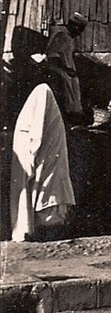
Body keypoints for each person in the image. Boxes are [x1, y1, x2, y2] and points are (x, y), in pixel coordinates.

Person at [9, 84, 76, 242]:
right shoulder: (43, 99)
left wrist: (32, 156)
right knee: (47, 192)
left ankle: (41, 228)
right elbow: (36, 135)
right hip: (45, 158)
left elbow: (37, 136)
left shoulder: (42, 101)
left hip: (47, 159)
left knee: (46, 192)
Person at [43, 11, 88, 124]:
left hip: (64, 71)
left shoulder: (64, 35)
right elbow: (53, 57)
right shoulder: (62, 36)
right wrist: (67, 70)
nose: (78, 34)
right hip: (58, 72)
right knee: (68, 97)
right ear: (76, 27)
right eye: (79, 30)